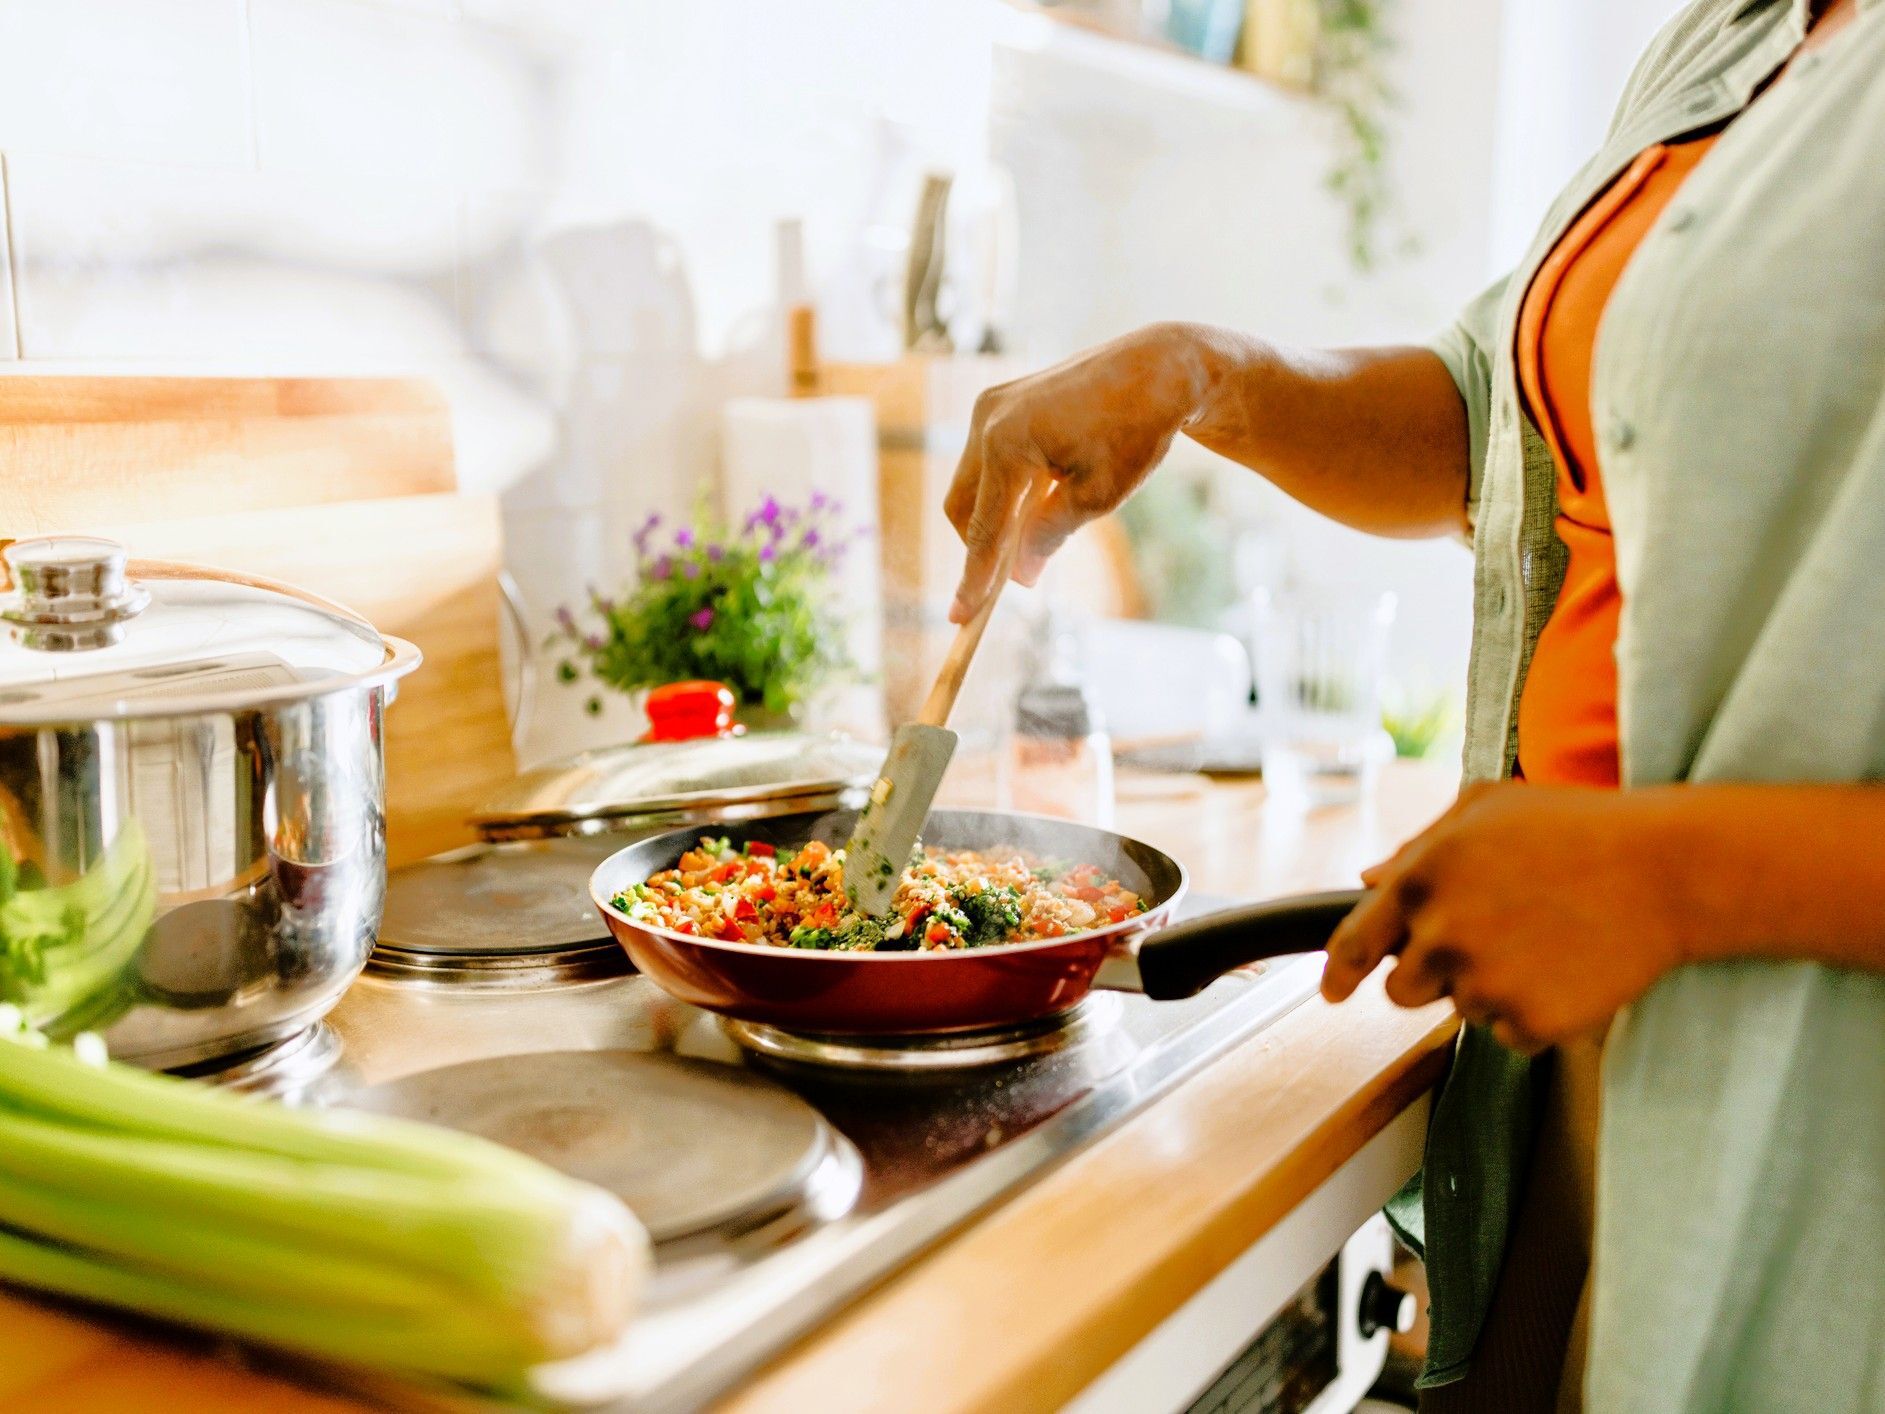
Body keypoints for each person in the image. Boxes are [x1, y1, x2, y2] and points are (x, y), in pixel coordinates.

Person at [941, 1, 1884, 1409]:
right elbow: (1498, 412)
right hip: (1584, 1025)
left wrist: (1665, 879)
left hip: (1811, 1084)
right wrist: (1200, 372)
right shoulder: (1741, 33)